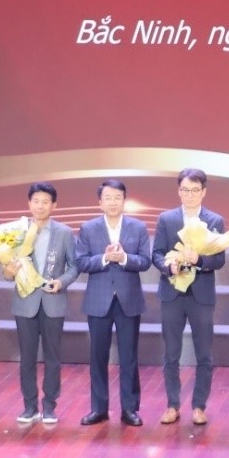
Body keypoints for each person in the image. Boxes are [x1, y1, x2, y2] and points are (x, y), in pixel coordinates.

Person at [152, 167, 227, 425]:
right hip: (172, 292)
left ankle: (199, 406)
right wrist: (168, 267)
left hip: (201, 294)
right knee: (171, 353)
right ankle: (172, 405)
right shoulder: (166, 219)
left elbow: (219, 259)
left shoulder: (215, 220)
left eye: (195, 190)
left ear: (204, 192)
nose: (190, 195)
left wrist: (200, 260)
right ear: (179, 191)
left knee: (204, 353)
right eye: (185, 190)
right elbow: (156, 253)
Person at [74, 178, 152, 427]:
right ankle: (98, 409)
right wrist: (106, 258)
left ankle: (129, 409)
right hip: (99, 301)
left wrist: (125, 258)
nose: (113, 202)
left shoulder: (138, 227)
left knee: (129, 357)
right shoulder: (88, 228)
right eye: (107, 198)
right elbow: (81, 262)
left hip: (129, 299)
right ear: (100, 202)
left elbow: (145, 261)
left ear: (124, 200)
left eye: (117, 197)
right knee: (98, 356)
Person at [5, 182, 78, 424]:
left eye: (45, 202)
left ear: (54, 205)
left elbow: (75, 265)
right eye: (35, 201)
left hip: (52, 301)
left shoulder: (64, 233)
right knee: (27, 358)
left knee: (52, 358)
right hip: (25, 302)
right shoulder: (18, 233)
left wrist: (61, 281)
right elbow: (7, 270)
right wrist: (8, 272)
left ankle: (49, 406)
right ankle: (29, 406)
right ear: (29, 204)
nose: (40, 206)